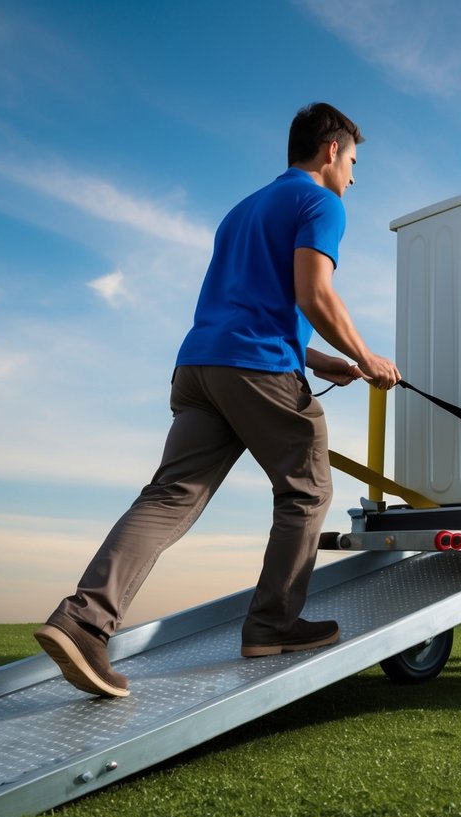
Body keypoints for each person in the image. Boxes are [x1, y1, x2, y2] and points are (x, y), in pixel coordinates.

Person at [34, 102, 401, 697]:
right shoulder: (322, 203)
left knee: (169, 497)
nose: (354, 177)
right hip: (256, 369)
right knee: (308, 489)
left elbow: (249, 303)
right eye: (354, 161)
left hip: (201, 366)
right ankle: (272, 624)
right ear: (331, 151)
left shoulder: (241, 211)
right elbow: (314, 294)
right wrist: (365, 356)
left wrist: (319, 358)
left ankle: (83, 619)